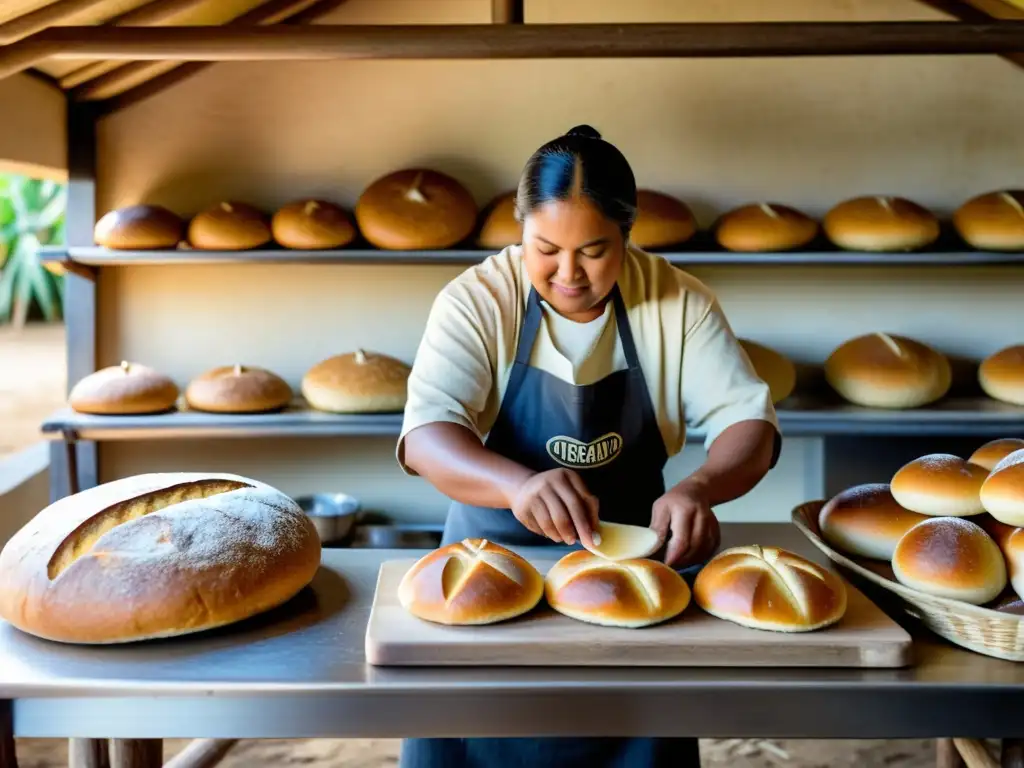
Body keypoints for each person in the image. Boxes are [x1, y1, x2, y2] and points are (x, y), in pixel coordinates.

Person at [395, 124, 782, 768]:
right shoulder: (477, 299)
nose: (568, 273)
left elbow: (750, 426)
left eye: (595, 251)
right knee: (475, 729)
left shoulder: (678, 301)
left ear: (629, 236)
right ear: (519, 229)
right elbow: (429, 436)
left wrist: (699, 487)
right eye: (544, 249)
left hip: (632, 571)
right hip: (489, 568)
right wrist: (516, 485)